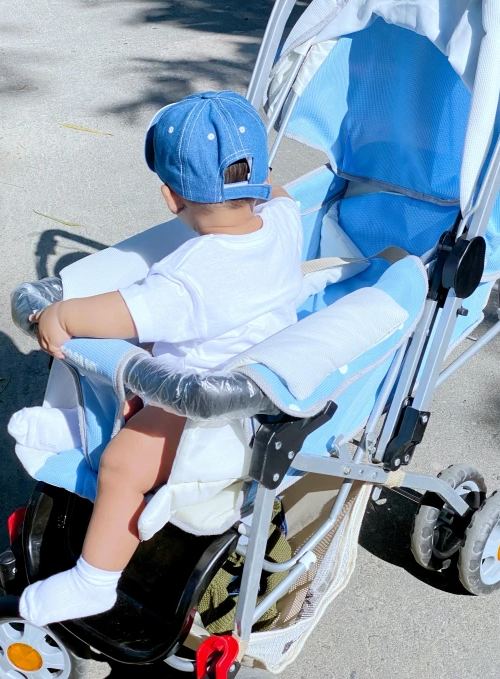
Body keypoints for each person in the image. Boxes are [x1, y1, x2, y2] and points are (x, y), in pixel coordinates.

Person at [17, 91, 303, 626]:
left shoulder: (191, 277)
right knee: (138, 378)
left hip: (208, 408)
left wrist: (63, 316)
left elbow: (123, 311)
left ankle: (94, 581)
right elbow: (286, 195)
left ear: (171, 198)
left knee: (122, 462)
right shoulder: (285, 222)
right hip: (255, 380)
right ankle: (78, 429)